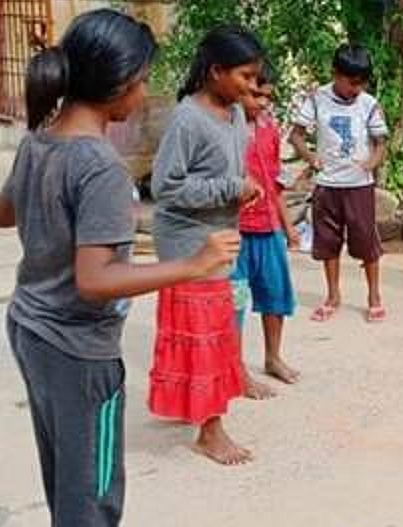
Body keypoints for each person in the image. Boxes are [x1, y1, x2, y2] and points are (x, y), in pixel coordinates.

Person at [0, 9, 240, 527]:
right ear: (119, 82)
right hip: (79, 350)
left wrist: (51, 205)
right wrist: (192, 264)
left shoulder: (41, 139)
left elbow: (1, 214)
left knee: (66, 470)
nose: (147, 91)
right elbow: (96, 279)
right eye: (143, 78)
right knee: (96, 484)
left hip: (29, 327)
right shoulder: (98, 164)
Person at [149, 25, 266, 466]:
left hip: (220, 236)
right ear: (216, 72)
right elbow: (165, 187)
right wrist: (230, 189)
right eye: (245, 77)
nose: (252, 87)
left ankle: (197, 407)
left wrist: (237, 190)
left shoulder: (235, 113)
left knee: (213, 326)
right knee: (204, 332)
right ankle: (210, 431)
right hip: (187, 240)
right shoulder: (186, 119)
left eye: (256, 79)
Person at [289, 44, 389, 323]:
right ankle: (333, 296)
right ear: (335, 74)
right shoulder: (317, 99)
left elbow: (381, 144)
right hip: (327, 185)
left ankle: (374, 296)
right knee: (328, 243)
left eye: (361, 83)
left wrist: (371, 163)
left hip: (359, 186)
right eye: (351, 82)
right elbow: (295, 135)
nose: (356, 89)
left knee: (367, 243)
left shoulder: (369, 104)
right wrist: (310, 157)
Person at [232, 64, 301, 387]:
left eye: (266, 97)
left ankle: (273, 357)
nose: (260, 102)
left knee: (275, 295)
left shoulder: (269, 129)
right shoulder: (226, 130)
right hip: (234, 229)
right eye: (254, 94)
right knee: (235, 302)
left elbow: (274, 184)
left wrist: (288, 228)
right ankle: (236, 368)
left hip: (268, 226)